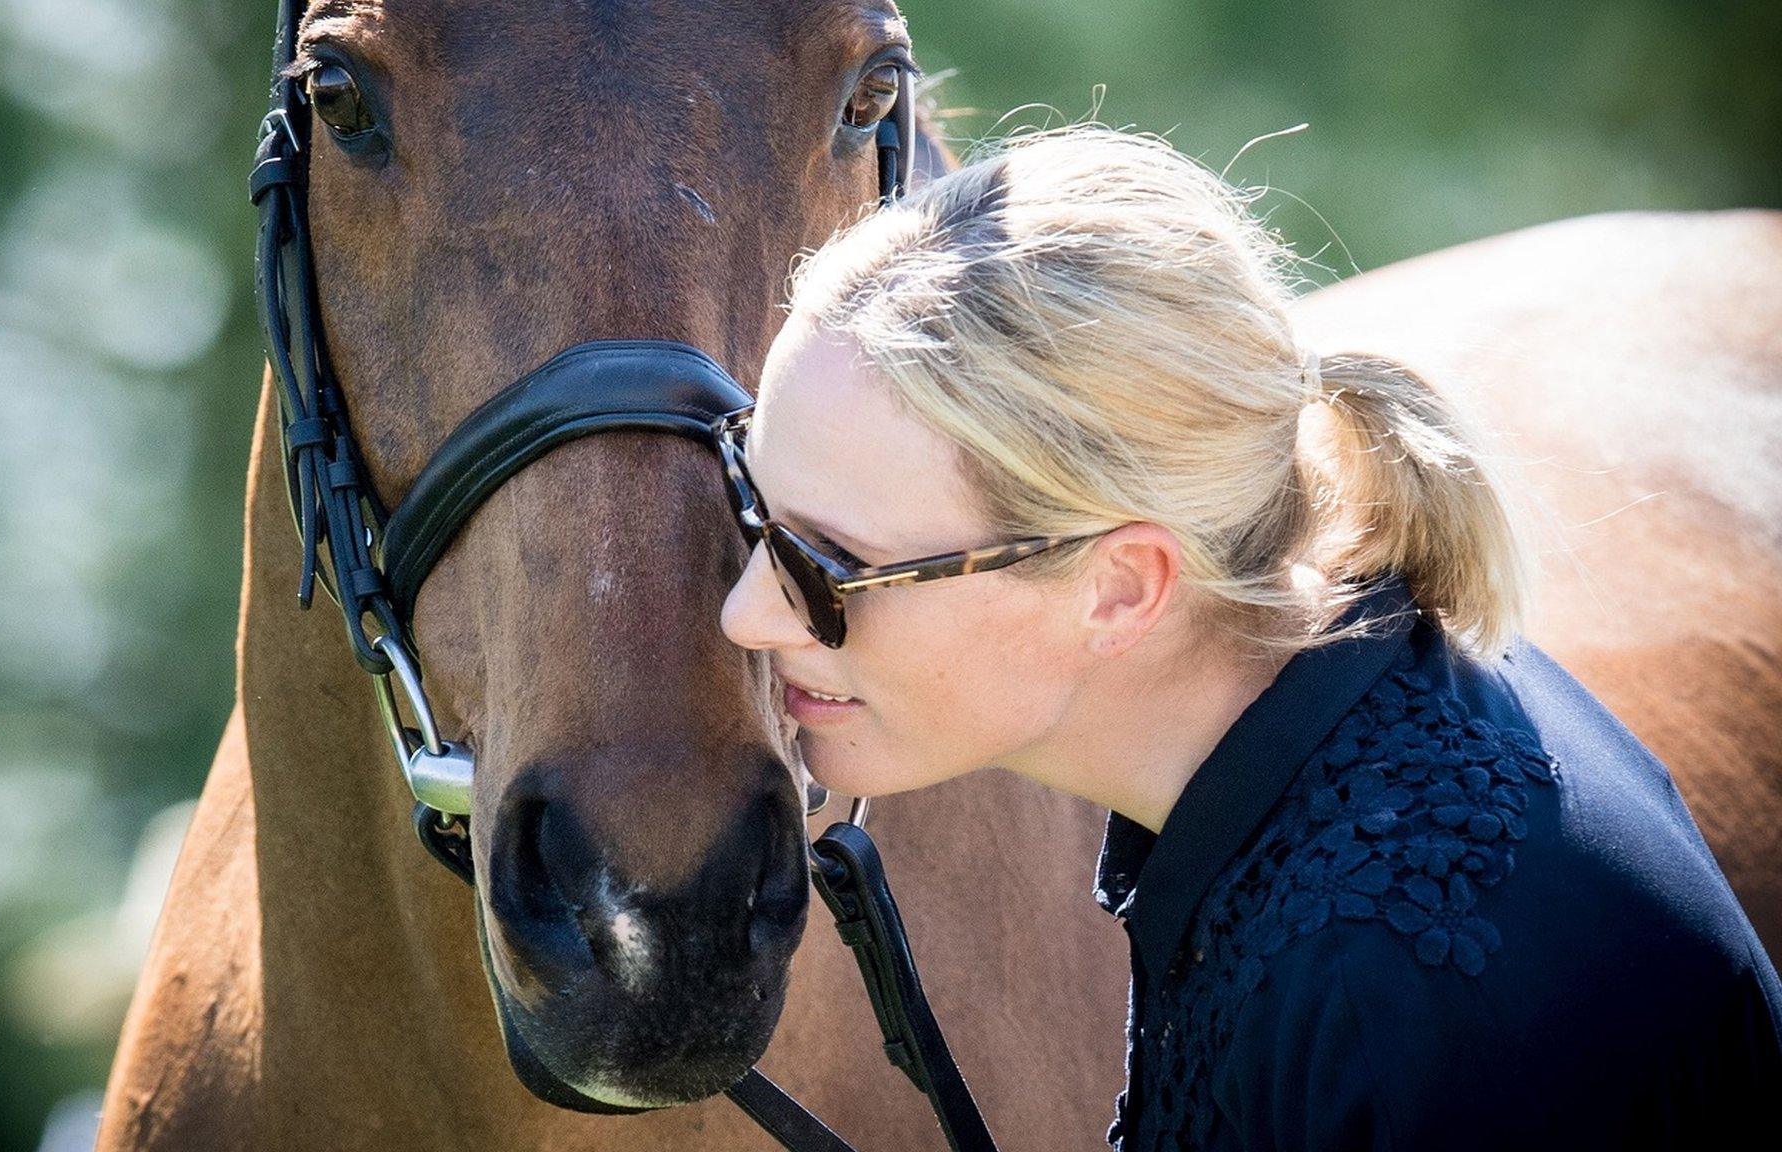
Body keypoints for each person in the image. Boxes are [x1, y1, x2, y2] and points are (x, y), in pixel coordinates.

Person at [712, 122, 1782, 1150]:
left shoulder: (1409, 1008)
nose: (746, 614)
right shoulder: (1319, 762)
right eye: (751, 510)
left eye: (831, 564)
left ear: (1121, 589)